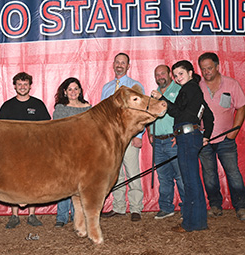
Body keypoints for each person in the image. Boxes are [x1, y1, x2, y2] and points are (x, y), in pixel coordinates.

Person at [151, 60, 214, 232]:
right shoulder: (195, 90)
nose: (178, 78)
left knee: (189, 180)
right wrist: (205, 136)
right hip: (191, 136)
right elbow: (208, 116)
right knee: (192, 179)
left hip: (186, 136)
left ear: (191, 72)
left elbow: (178, 112)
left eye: (181, 74)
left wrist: (162, 99)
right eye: (176, 75)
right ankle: (198, 221)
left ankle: (190, 223)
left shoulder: (189, 89)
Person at [0, 72, 51, 229]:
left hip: (34, 151)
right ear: (14, 86)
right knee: (13, 182)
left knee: (33, 181)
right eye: (19, 84)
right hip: (12, 152)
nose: (22, 87)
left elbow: (47, 128)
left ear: (30, 86)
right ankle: (14, 215)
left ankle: (32, 215)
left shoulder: (38, 105)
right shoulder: (7, 106)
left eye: (25, 84)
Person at [198, 52, 245, 220]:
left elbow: (241, 107)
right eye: (203, 69)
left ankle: (241, 207)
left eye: (209, 68)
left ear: (218, 67)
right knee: (209, 175)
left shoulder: (231, 84)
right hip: (205, 140)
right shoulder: (198, 86)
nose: (206, 72)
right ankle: (216, 206)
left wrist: (234, 131)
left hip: (226, 139)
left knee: (233, 173)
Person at [100, 53, 145, 222]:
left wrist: (139, 134)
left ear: (128, 66)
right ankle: (118, 207)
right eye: (117, 62)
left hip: (129, 135)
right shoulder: (107, 87)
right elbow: (103, 114)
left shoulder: (135, 85)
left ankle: (136, 208)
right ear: (113, 64)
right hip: (112, 138)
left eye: (123, 63)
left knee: (132, 171)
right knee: (115, 173)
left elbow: (141, 113)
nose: (119, 65)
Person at [53, 77, 92, 228]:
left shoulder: (88, 108)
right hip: (65, 152)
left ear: (80, 90)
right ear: (65, 92)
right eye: (70, 89)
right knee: (64, 184)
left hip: (83, 152)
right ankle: (61, 217)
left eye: (76, 88)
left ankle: (79, 216)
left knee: (81, 185)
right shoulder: (60, 109)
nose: (73, 92)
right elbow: (56, 131)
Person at [148, 65, 185, 219]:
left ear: (170, 74)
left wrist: (179, 133)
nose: (160, 76)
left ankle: (187, 207)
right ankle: (166, 207)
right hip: (157, 141)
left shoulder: (179, 90)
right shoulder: (154, 94)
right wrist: (150, 132)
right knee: (163, 176)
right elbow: (149, 114)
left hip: (173, 139)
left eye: (163, 73)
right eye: (157, 74)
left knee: (181, 175)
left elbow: (182, 113)